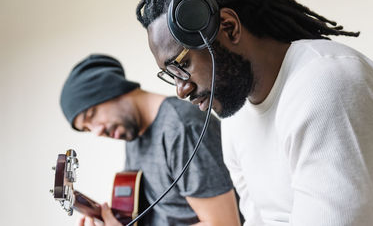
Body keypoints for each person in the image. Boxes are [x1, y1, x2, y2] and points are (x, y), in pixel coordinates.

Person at [136, 0, 373, 225]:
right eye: (170, 74)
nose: (181, 90)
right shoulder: (235, 117)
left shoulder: (326, 85)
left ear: (228, 27)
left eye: (182, 64)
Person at [59, 54, 241, 226]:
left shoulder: (181, 127)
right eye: (87, 129)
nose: (97, 131)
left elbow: (224, 223)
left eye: (92, 115)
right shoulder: (132, 136)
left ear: (111, 88)